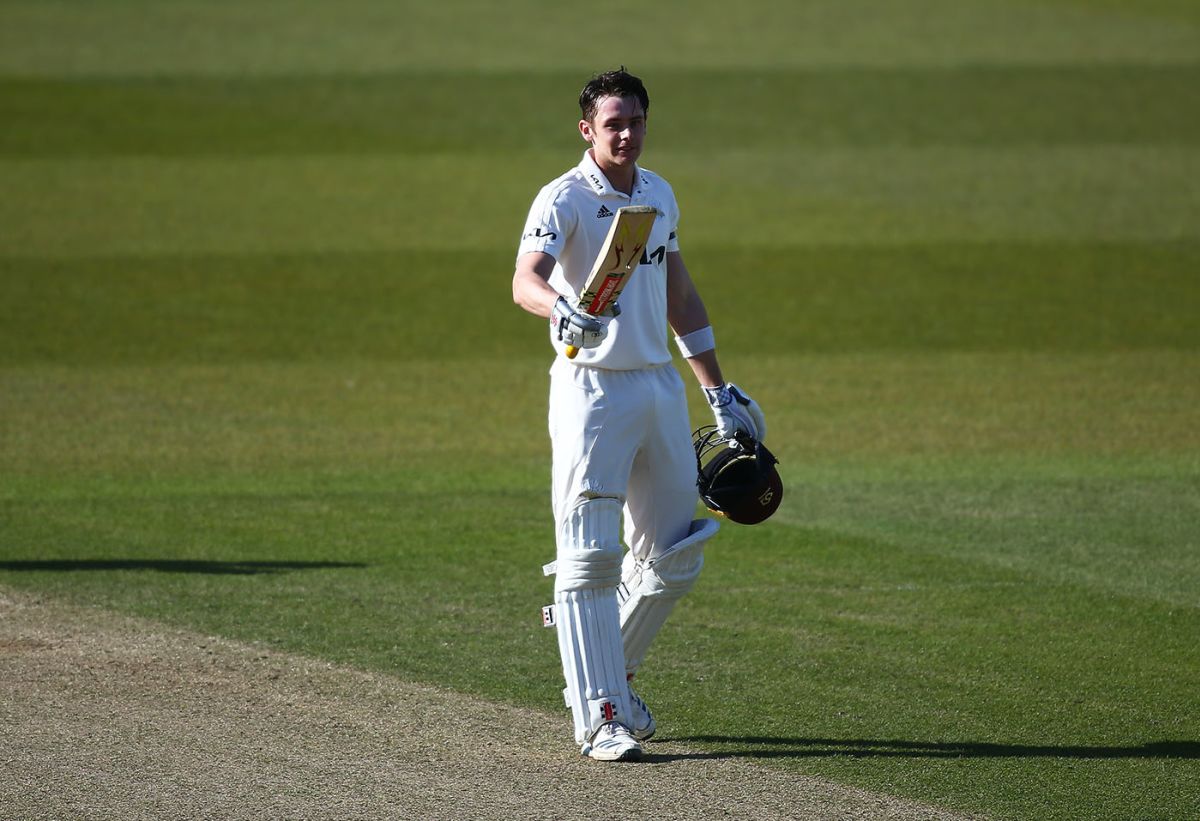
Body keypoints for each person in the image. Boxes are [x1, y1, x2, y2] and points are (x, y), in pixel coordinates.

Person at [511, 68, 766, 762]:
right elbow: (524, 278)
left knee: (674, 554)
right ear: (587, 129)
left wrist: (718, 391)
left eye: (636, 121)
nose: (626, 133)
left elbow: (680, 297)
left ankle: (606, 674)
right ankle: (599, 719)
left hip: (658, 386)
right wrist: (561, 307)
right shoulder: (563, 196)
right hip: (592, 389)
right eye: (613, 122)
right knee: (591, 557)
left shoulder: (658, 193)